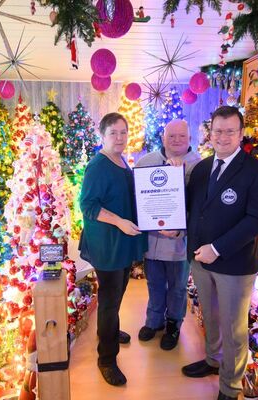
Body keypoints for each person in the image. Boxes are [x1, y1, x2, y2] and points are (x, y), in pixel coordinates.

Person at [181, 106, 258, 400]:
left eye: (230, 131)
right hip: (200, 260)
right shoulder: (201, 169)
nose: (223, 137)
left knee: (234, 328)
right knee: (210, 315)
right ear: (210, 133)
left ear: (241, 133)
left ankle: (230, 387)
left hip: (235, 263)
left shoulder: (256, 171)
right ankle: (212, 360)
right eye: (218, 131)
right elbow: (193, 210)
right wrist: (171, 224)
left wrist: (217, 248)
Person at [79, 112, 147, 386]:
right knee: (109, 300)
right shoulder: (98, 166)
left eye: (123, 132)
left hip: (122, 241)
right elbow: (88, 205)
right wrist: (119, 222)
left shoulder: (121, 160)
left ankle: (107, 330)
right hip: (106, 244)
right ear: (102, 136)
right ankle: (106, 359)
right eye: (113, 133)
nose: (119, 138)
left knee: (116, 295)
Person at [135, 119, 201, 350]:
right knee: (154, 284)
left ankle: (173, 325)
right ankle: (154, 321)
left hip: (178, 244)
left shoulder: (199, 166)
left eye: (182, 136)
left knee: (177, 287)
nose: (176, 140)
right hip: (151, 242)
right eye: (171, 136)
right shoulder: (145, 162)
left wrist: (181, 230)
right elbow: (137, 199)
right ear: (163, 138)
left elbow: (201, 208)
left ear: (190, 138)